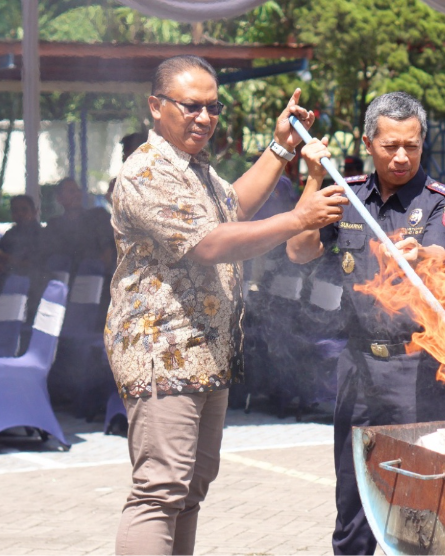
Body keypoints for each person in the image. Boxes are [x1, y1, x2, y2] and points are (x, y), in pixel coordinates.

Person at [104, 55, 347, 556]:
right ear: (156, 106)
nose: (204, 118)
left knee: (190, 489)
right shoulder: (146, 171)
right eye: (191, 106)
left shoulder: (196, 171)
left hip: (206, 353)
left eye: (213, 107)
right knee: (160, 489)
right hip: (162, 352)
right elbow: (212, 243)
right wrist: (299, 218)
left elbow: (234, 206)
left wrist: (281, 147)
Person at [286, 92, 445, 556]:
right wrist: (312, 178)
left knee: (421, 502)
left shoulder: (443, 201)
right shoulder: (346, 195)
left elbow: (442, 255)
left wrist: (421, 255)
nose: (402, 156)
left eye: (412, 145)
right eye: (390, 146)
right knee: (354, 499)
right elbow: (299, 250)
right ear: (369, 142)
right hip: (358, 366)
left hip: (417, 370)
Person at [0, 195, 42, 280]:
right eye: (15, 210)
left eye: (24, 209)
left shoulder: (41, 234)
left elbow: (32, 264)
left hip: (32, 281)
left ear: (34, 212)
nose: (20, 214)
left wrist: (5, 257)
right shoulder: (11, 233)